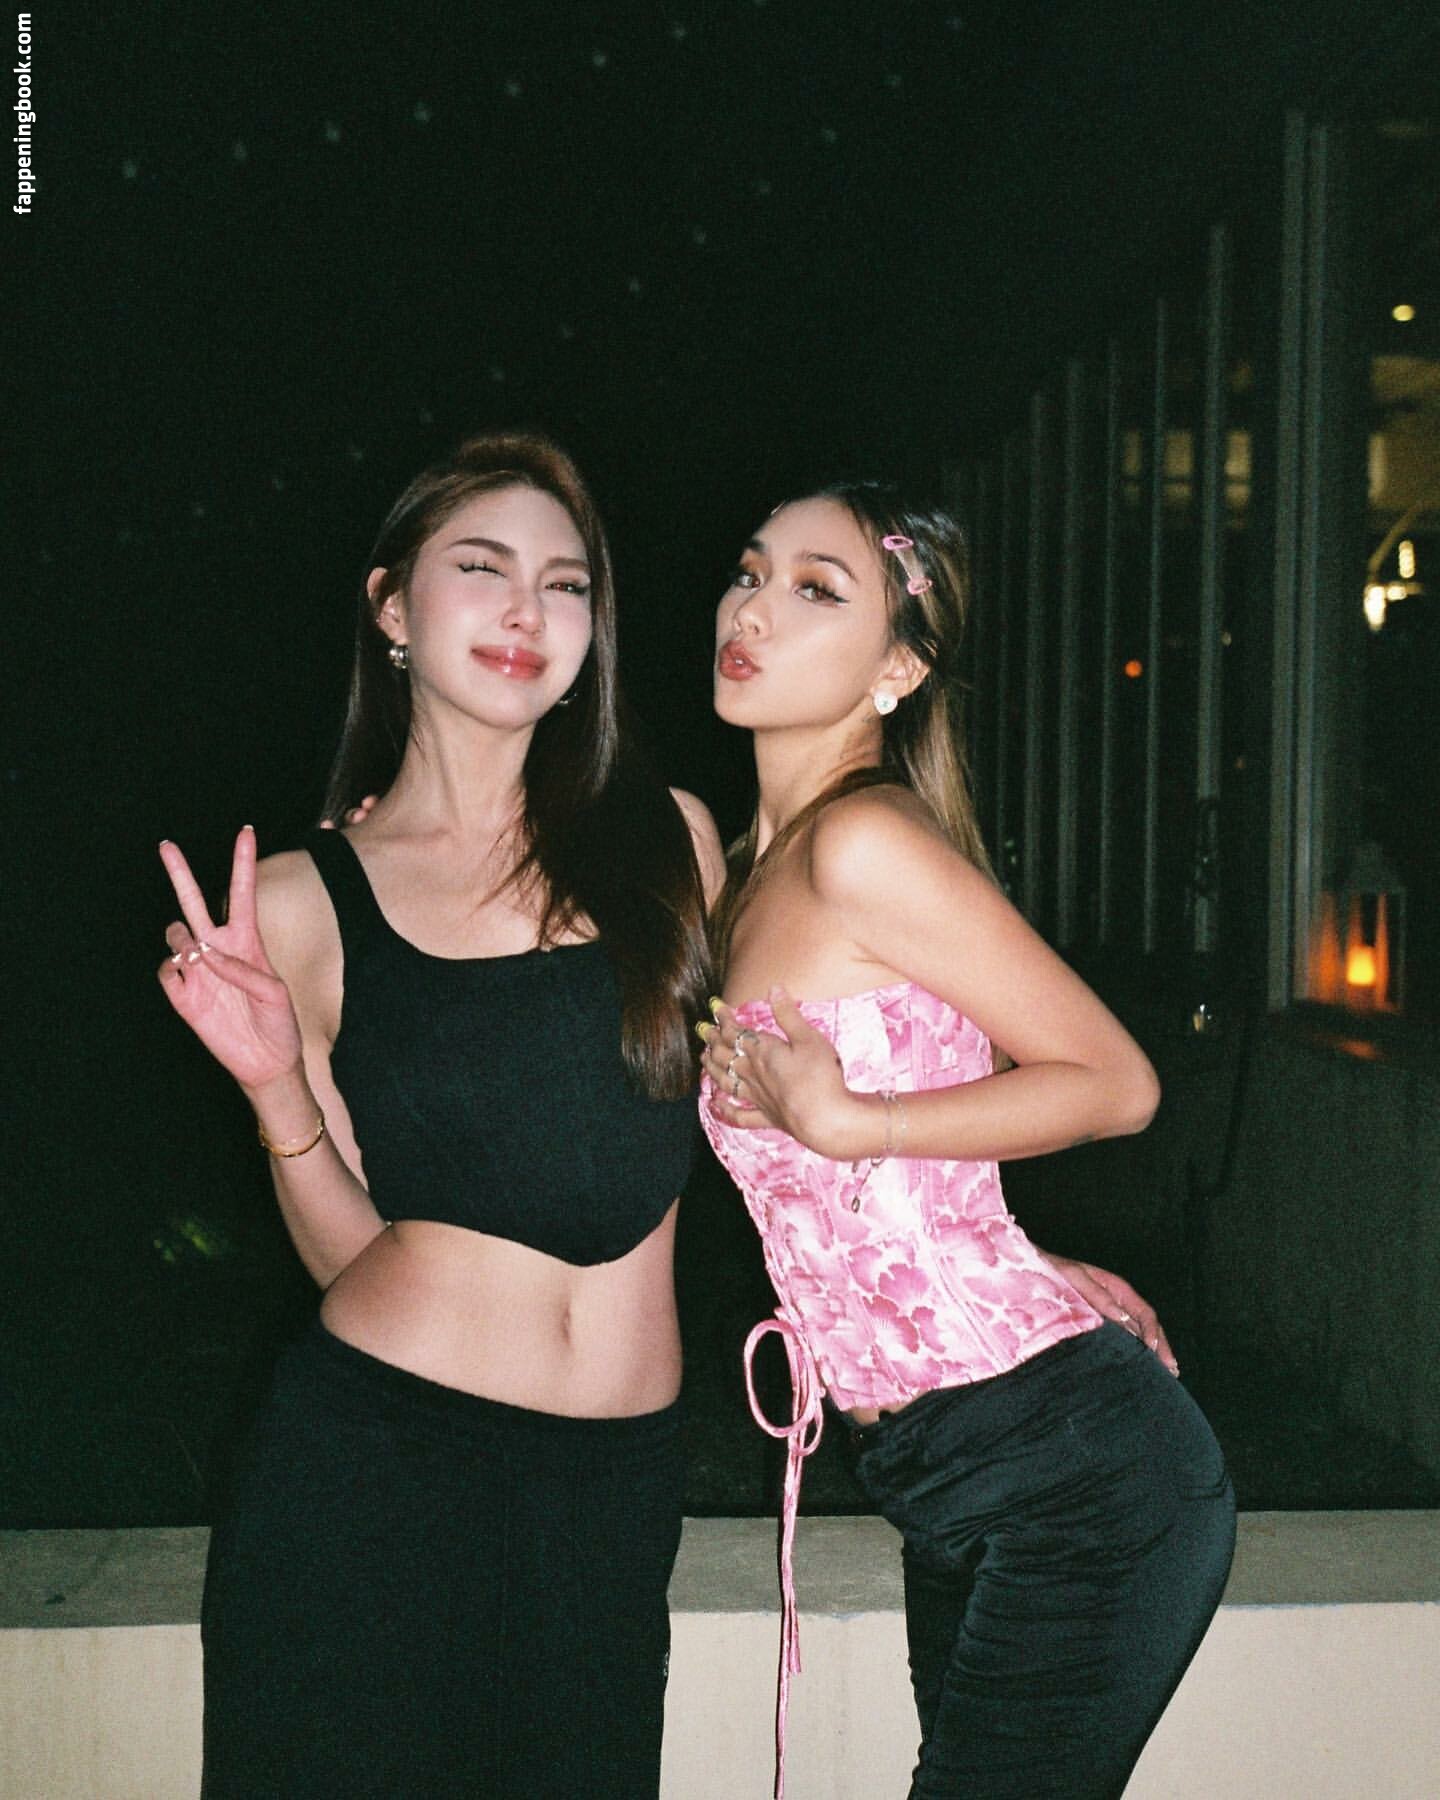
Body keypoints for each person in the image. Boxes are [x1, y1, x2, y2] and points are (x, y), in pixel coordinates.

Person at [157, 432, 724, 1799]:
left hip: (618, 1491)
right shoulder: (298, 901)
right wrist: (274, 1083)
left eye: (566, 582)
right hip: (373, 1468)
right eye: (482, 567)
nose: (529, 607)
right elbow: (351, 1256)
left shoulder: (676, 844)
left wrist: (1003, 1267)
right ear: (392, 609)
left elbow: (804, 1107)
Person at [697, 482, 1235, 1800]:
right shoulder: (753, 875)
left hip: (1070, 1475)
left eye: (815, 589)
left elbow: (1115, 1083)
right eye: (751, 571)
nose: (752, 609)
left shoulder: (861, 843)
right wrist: (1018, 1258)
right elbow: (913, 1179)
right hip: (942, 1471)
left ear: (897, 670)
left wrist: (850, 1122)